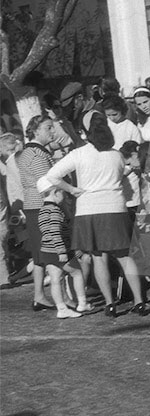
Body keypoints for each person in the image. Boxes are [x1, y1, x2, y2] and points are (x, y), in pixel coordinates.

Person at [43, 112, 149, 317]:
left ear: (86, 133)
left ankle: (110, 304)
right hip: (115, 208)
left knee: (99, 258)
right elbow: (122, 173)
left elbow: (52, 175)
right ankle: (139, 301)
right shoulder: (116, 155)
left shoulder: (79, 154)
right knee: (125, 257)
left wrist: (71, 189)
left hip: (88, 210)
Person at [17, 116, 56, 310]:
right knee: (51, 252)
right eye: (48, 127)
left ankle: (39, 295)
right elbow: (47, 182)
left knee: (40, 254)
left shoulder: (31, 152)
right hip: (42, 205)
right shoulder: (35, 153)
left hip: (34, 205)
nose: (52, 131)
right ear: (36, 131)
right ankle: (62, 298)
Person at [35, 181, 86, 317]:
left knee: (55, 280)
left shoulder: (42, 211)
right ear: (55, 193)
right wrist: (62, 250)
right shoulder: (55, 210)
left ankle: (62, 309)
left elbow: (45, 231)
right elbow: (55, 232)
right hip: (58, 250)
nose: (64, 196)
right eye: (62, 192)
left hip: (46, 250)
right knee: (77, 273)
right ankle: (82, 303)